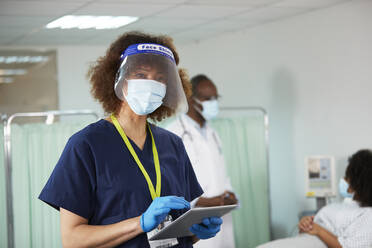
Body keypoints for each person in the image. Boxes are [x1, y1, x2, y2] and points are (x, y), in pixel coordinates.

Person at [38, 31, 223, 248]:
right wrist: (140, 223)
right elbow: (72, 240)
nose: (152, 84)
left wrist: (196, 231)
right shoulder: (86, 145)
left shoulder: (172, 144)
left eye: (161, 79)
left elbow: (176, 230)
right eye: (142, 75)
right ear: (119, 79)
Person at [167, 74, 238, 248]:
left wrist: (230, 195)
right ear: (191, 100)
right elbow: (171, 187)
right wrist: (204, 201)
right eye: (208, 99)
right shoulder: (173, 134)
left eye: (215, 98)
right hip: (195, 222)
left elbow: (221, 173)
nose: (213, 103)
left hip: (221, 217)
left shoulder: (214, 134)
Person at [257, 149, 372, 248]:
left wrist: (319, 230)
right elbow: (311, 229)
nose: (344, 180)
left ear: (358, 183)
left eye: (347, 177)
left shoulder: (368, 214)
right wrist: (306, 224)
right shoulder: (342, 205)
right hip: (304, 240)